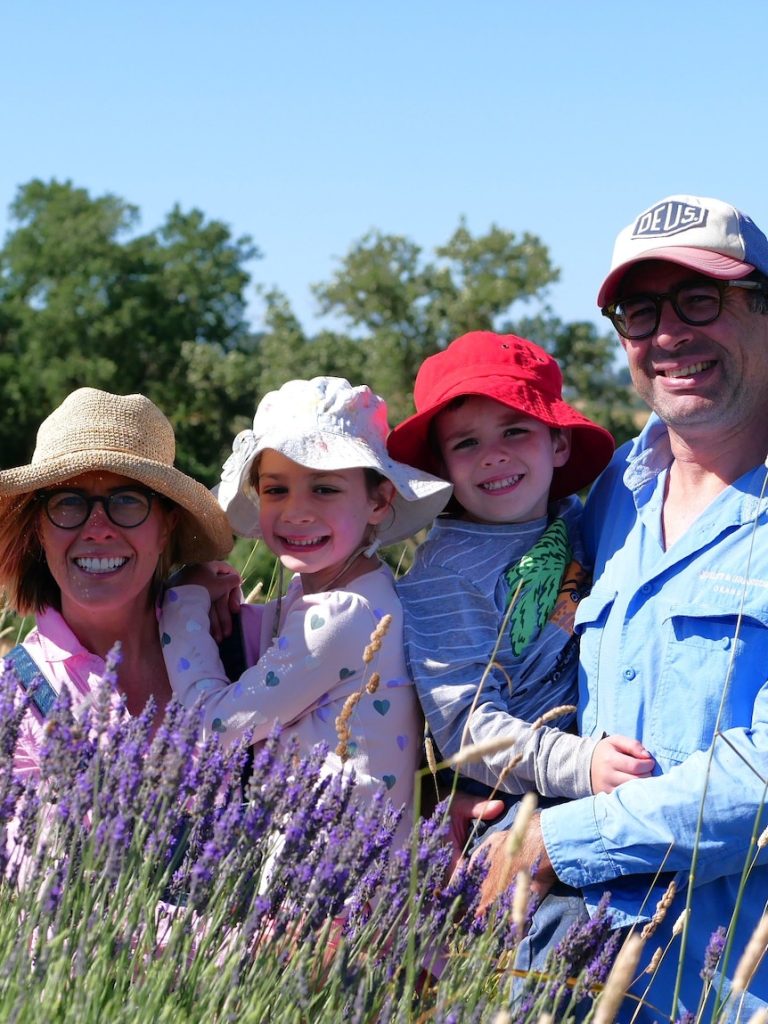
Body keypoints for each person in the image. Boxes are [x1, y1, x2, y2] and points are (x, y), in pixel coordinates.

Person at [478, 195, 768, 1017]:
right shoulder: (610, 498)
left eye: (700, 299)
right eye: (640, 311)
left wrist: (552, 843)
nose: (669, 334)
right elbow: (491, 639)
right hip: (571, 977)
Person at [159, 376, 452, 847]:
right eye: (276, 490)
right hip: (348, 870)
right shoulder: (354, 592)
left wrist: (183, 599)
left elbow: (212, 728)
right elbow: (282, 644)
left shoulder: (340, 615)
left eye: (325, 490)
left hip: (325, 883)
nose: (296, 512)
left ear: (379, 499)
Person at [387, 331, 654, 840]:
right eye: (466, 443)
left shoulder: (579, 519)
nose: (493, 455)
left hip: (596, 766)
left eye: (514, 431)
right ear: (441, 468)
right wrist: (580, 763)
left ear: (558, 442)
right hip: (510, 795)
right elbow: (465, 724)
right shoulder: (444, 576)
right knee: (565, 915)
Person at [0, 387, 234, 781]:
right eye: (68, 502)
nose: (98, 529)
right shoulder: (13, 699)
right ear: (40, 529)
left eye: (126, 500)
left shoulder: (244, 642)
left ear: (167, 526)